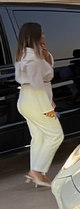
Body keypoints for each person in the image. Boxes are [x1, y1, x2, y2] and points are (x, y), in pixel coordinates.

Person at [14, 23, 64, 187]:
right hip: (36, 100)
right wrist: (48, 107)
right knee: (56, 135)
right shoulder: (32, 58)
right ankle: (37, 171)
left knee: (39, 136)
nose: (44, 36)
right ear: (35, 35)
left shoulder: (26, 54)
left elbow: (44, 71)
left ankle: (37, 173)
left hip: (26, 99)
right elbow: (37, 85)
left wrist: (44, 51)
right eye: (42, 33)